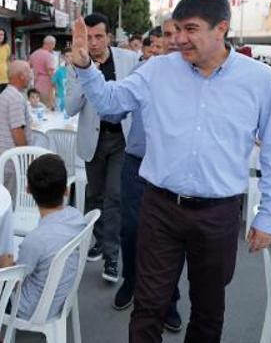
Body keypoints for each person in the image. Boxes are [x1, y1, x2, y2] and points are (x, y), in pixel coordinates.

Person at [68, 0, 271, 342]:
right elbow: (111, 103)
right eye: (177, 29)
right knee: (149, 304)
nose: (180, 39)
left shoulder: (260, 81)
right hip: (160, 208)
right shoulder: (158, 69)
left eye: (191, 29)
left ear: (222, 28)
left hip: (219, 213)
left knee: (207, 310)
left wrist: (269, 216)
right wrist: (84, 67)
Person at [114, 26, 182, 332]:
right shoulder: (140, 74)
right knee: (131, 229)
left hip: (170, 169)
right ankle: (130, 281)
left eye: (164, 41)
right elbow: (113, 111)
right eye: (152, 44)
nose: (158, 49)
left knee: (170, 238)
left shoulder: (187, 77)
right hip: (137, 163)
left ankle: (170, 299)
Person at [64, 13, 138, 283]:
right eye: (89, 37)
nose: (93, 43)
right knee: (94, 196)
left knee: (114, 196)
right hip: (92, 140)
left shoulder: (129, 60)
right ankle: (98, 240)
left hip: (121, 137)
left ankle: (111, 257)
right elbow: (69, 108)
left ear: (109, 37)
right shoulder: (75, 64)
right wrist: (86, 75)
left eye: (99, 37)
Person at [0, 154, 86, 319]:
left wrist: (4, 266)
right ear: (66, 190)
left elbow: (16, 281)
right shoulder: (77, 218)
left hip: (30, 309)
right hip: (61, 296)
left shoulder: (35, 240)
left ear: (28, 190)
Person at [0, 60, 33, 197]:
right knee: (11, 201)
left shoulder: (6, 94)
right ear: (21, 76)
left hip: (4, 159)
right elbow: (17, 131)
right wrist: (27, 158)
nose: (31, 75)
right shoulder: (15, 97)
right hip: (12, 162)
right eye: (28, 71)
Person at [29, 36, 57, 108]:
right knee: (47, 107)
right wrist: (56, 85)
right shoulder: (49, 56)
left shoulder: (34, 53)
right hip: (46, 85)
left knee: (37, 107)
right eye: (54, 44)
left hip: (36, 84)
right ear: (50, 44)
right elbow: (51, 72)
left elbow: (28, 67)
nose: (54, 47)